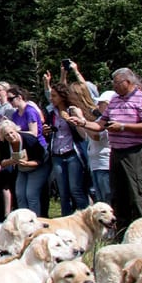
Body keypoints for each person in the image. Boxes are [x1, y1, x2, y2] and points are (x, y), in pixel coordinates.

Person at [70, 67, 142, 230]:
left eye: (116, 83)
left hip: (135, 152)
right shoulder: (115, 100)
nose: (114, 86)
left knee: (136, 195)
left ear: (128, 82)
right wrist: (83, 123)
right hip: (116, 152)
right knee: (119, 194)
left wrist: (123, 127)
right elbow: (101, 124)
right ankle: (121, 233)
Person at [43, 72, 91, 216]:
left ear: (63, 96)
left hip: (73, 154)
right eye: (51, 96)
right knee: (63, 192)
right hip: (57, 153)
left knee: (75, 189)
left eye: (54, 96)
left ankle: (85, 218)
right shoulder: (51, 112)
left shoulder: (73, 110)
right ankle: (65, 219)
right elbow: (50, 129)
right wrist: (47, 130)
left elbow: (84, 135)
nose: (51, 99)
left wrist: (72, 121)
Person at [0, 119, 47, 216]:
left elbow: (40, 160)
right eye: (7, 135)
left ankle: (36, 219)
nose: (11, 136)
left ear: (16, 130)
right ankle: (23, 219)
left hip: (39, 166)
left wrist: (27, 164)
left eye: (12, 132)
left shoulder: (29, 139)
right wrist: (12, 161)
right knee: (20, 194)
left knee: (31, 194)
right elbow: (2, 162)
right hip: (22, 168)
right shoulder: (3, 143)